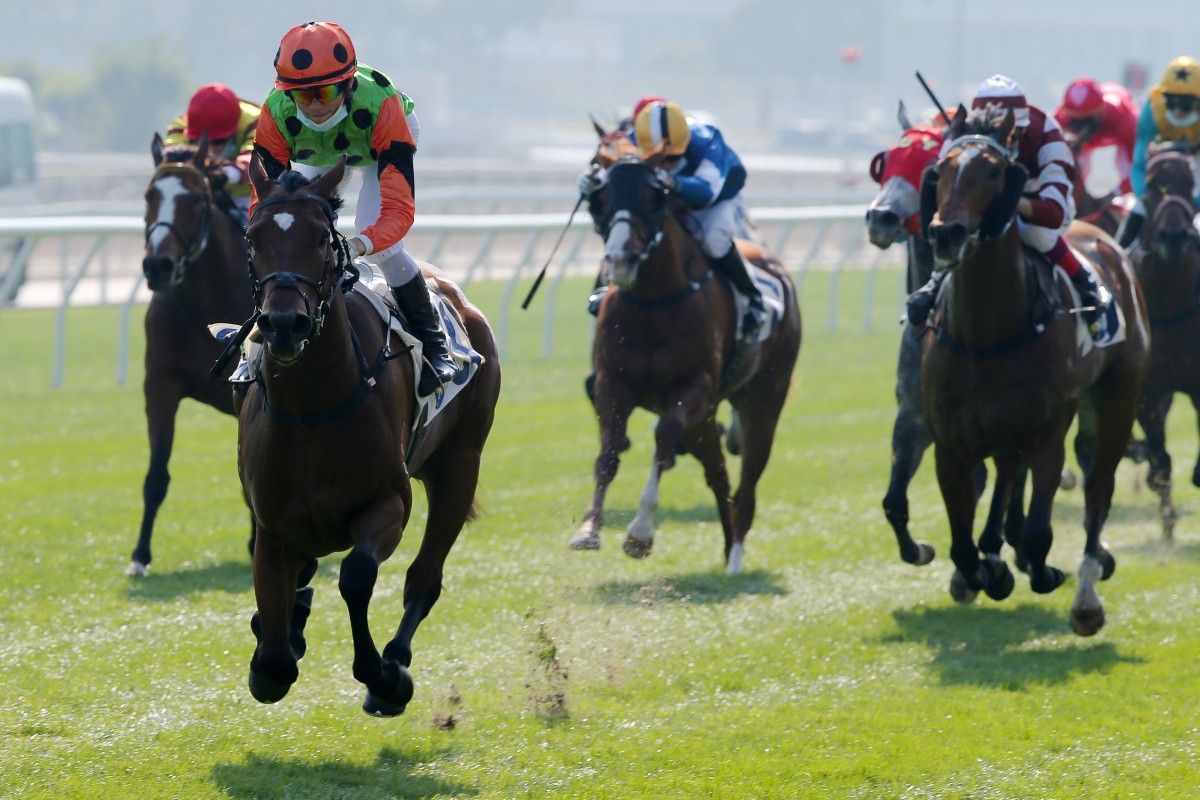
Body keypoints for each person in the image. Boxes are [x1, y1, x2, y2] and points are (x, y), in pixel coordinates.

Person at [250, 21, 455, 396]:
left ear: (347, 83)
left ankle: (437, 346)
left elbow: (397, 211)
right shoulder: (276, 113)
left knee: (383, 243)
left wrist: (360, 244)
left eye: (325, 91)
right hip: (321, 153)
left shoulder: (382, 105)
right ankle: (255, 334)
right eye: (302, 94)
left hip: (379, 142)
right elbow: (264, 207)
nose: (314, 104)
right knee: (286, 234)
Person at [908, 74, 1112, 339]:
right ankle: (935, 284)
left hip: (1036, 194)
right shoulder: (962, 136)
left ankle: (1087, 283)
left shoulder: (1048, 137)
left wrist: (1010, 202)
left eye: (1012, 135)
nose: (1006, 141)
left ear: (1020, 127)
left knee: (1032, 231)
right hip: (984, 189)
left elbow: (1055, 212)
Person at [580, 100, 766, 337]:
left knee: (714, 239)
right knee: (626, 233)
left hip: (717, 199)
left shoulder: (707, 139)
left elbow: (705, 192)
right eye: (662, 159)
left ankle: (751, 297)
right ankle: (605, 287)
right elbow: (610, 182)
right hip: (670, 194)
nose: (668, 164)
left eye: (673, 158)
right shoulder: (632, 141)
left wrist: (668, 180)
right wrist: (588, 184)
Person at [1117, 56, 1200, 249]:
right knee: (1137, 208)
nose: (1178, 110)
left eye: (1186, 104)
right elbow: (1138, 165)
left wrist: (1196, 202)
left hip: (1196, 164)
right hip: (1163, 164)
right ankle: (1120, 256)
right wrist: (1144, 195)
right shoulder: (1152, 109)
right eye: (1171, 102)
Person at [164, 82, 261, 223]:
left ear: (234, 130)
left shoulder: (258, 121)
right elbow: (170, 160)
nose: (209, 149)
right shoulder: (182, 126)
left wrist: (225, 174)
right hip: (201, 194)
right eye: (199, 141)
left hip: (250, 197)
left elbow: (255, 159)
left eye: (218, 141)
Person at [1053, 77, 1138, 198]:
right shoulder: (1061, 118)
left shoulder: (1125, 119)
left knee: (1124, 166)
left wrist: (1115, 194)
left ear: (1099, 114)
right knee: (1078, 167)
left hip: (1121, 128)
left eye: (1085, 121)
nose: (1080, 129)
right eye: (1075, 122)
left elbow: (1138, 167)